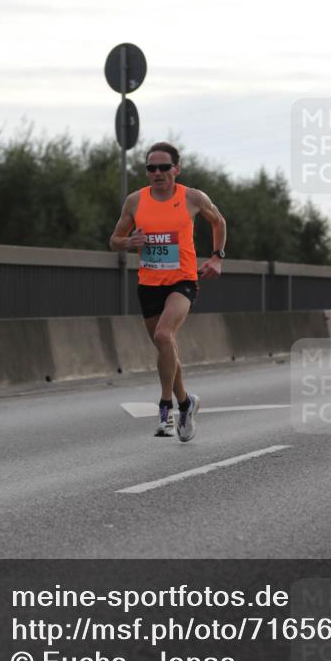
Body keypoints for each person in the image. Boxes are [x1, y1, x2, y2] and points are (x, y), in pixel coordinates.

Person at [109, 142, 226, 442]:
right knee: (165, 347)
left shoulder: (192, 197)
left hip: (182, 281)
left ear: (177, 169)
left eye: (163, 167)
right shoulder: (135, 201)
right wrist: (129, 242)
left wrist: (217, 257)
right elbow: (114, 240)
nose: (157, 173)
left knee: (163, 335)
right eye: (151, 168)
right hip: (149, 284)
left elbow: (219, 221)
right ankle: (186, 403)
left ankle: (165, 409)